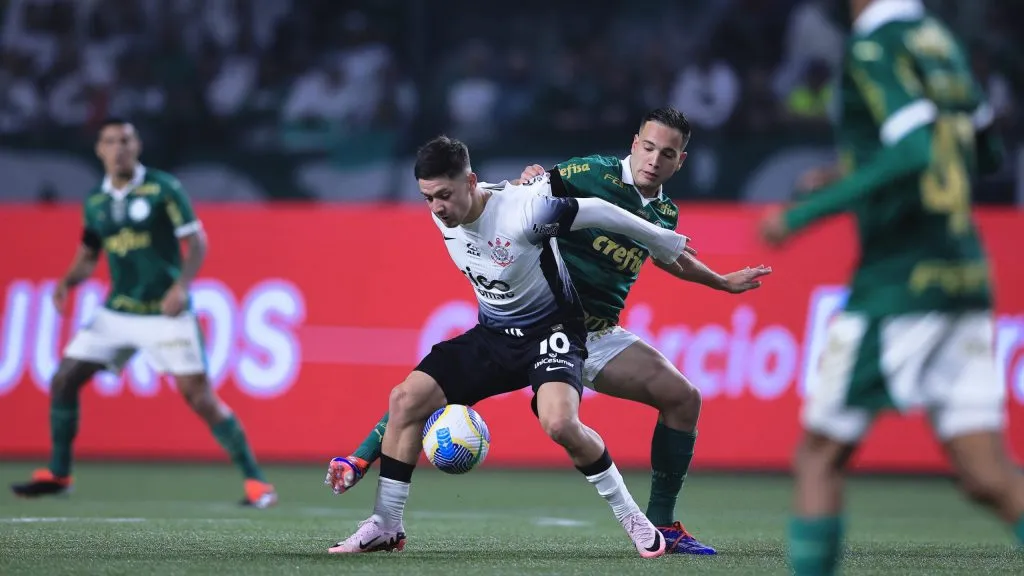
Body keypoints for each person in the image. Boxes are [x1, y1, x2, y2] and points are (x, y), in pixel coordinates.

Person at [325, 108, 771, 555]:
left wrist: (719, 280)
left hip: (593, 334)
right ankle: (383, 513)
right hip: (533, 322)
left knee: (683, 398)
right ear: (635, 144)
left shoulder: (665, 213)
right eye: (649, 148)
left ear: (680, 161)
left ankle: (662, 525)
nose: (654, 160)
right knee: (418, 394)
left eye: (667, 154)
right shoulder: (591, 172)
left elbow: (669, 256)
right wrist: (530, 179)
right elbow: (529, 191)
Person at [758, 1, 1024, 574]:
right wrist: (852, 171)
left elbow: (917, 150)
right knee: (986, 475)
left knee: (819, 455)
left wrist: (803, 215)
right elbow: (985, 151)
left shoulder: (872, 46)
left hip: (899, 280)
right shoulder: (939, 42)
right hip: (964, 274)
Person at [10, 118, 277, 509]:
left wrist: (181, 287)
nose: (119, 148)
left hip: (164, 313)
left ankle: (256, 482)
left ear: (137, 146)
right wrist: (67, 282)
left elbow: (197, 243)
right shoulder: (96, 201)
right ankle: (59, 474)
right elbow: (89, 254)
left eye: (126, 140)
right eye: (110, 141)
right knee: (65, 378)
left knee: (199, 397)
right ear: (99, 150)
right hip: (118, 312)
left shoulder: (163, 188)